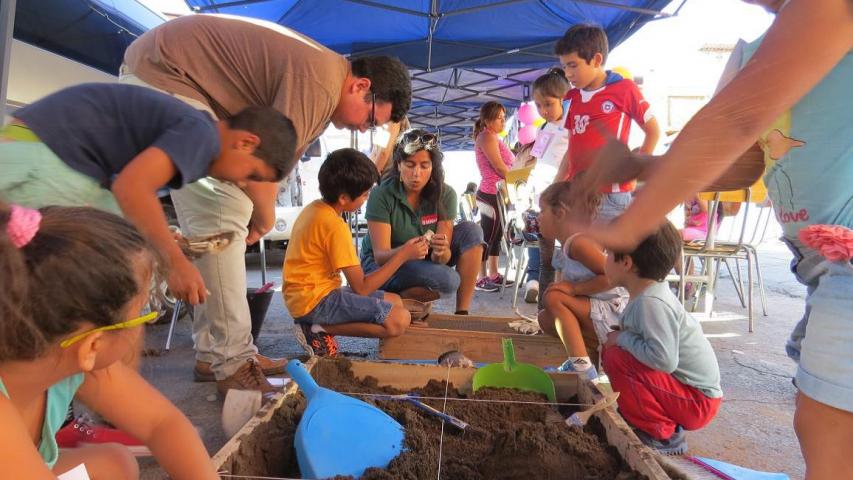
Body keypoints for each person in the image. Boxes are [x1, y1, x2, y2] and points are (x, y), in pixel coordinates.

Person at [572, 1, 852, 475]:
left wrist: (631, 224)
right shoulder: (754, 51)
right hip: (820, 261)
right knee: (826, 420)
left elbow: (733, 120)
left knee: (827, 426)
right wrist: (644, 167)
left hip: (845, 249)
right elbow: (741, 159)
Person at [122, 14, 411, 391]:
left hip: (167, 71)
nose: (363, 129)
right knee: (225, 207)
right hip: (164, 73)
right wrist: (263, 214)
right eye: (372, 119)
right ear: (361, 86)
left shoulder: (322, 88)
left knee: (226, 221)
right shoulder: (319, 83)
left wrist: (259, 220)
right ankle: (232, 362)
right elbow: (261, 172)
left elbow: (279, 162)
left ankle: (216, 354)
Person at [0, 82, 294, 307]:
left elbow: (121, 195)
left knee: (121, 244)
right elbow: (132, 188)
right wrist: (174, 262)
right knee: (55, 284)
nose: (244, 184)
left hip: (41, 148)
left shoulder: (194, 130)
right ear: (245, 143)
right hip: (48, 154)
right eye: (252, 174)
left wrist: (160, 241)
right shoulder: (203, 136)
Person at [0, 204, 219, 479]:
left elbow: (161, 424)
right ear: (94, 344)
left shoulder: (62, 353)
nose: (144, 324)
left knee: (113, 463)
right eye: (141, 313)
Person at [285, 149, 425, 357]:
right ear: (343, 197)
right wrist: (403, 255)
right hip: (313, 302)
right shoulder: (334, 225)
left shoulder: (315, 208)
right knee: (399, 320)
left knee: (395, 300)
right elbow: (361, 287)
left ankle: (317, 326)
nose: (366, 199)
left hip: (310, 294)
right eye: (365, 195)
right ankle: (316, 328)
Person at [601, 220, 722, 455]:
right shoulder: (647, 296)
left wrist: (622, 339)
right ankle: (649, 423)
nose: (604, 258)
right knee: (617, 352)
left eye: (607, 253)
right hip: (688, 395)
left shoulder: (651, 303)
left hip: (698, 401)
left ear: (626, 262)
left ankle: (661, 436)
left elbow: (664, 360)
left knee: (618, 356)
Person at [362, 129, 484, 315]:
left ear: (433, 168)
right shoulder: (381, 195)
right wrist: (406, 252)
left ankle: (462, 313)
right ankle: (400, 299)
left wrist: (441, 251)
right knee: (448, 280)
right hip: (382, 265)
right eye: (409, 165)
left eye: (424, 166)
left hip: (422, 261)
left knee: (472, 231)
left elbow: (440, 259)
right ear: (398, 165)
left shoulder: (446, 194)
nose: (416, 174)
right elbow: (380, 256)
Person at [554, 23, 660, 220]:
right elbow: (572, 146)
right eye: (564, 66)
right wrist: (556, 184)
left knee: (609, 250)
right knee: (577, 249)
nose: (567, 74)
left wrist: (634, 171)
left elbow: (653, 131)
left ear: (596, 59)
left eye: (573, 65)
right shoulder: (571, 97)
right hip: (578, 193)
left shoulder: (625, 89)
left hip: (612, 194)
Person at [535, 182, 628, 379]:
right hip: (601, 313)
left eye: (542, 210)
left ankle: (584, 370)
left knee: (553, 298)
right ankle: (588, 359)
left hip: (615, 313)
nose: (538, 217)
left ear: (560, 213)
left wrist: (575, 288)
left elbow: (615, 276)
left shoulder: (578, 243)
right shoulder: (568, 246)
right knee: (546, 318)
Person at [524, 68, 572, 305]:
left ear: (564, 100)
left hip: (561, 198)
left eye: (548, 104)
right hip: (540, 197)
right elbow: (538, 158)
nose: (543, 111)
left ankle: (561, 303)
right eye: (539, 105)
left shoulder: (571, 126)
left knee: (566, 254)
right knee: (545, 257)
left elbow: (570, 159)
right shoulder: (544, 128)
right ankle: (544, 308)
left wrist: (555, 189)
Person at [473, 101, 515, 292]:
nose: (503, 122)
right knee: (487, 236)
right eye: (500, 118)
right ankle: (480, 277)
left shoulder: (494, 137)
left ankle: (493, 274)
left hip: (497, 194)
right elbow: (499, 167)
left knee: (496, 236)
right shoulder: (487, 137)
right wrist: (516, 180)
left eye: (504, 118)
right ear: (488, 119)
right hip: (490, 193)